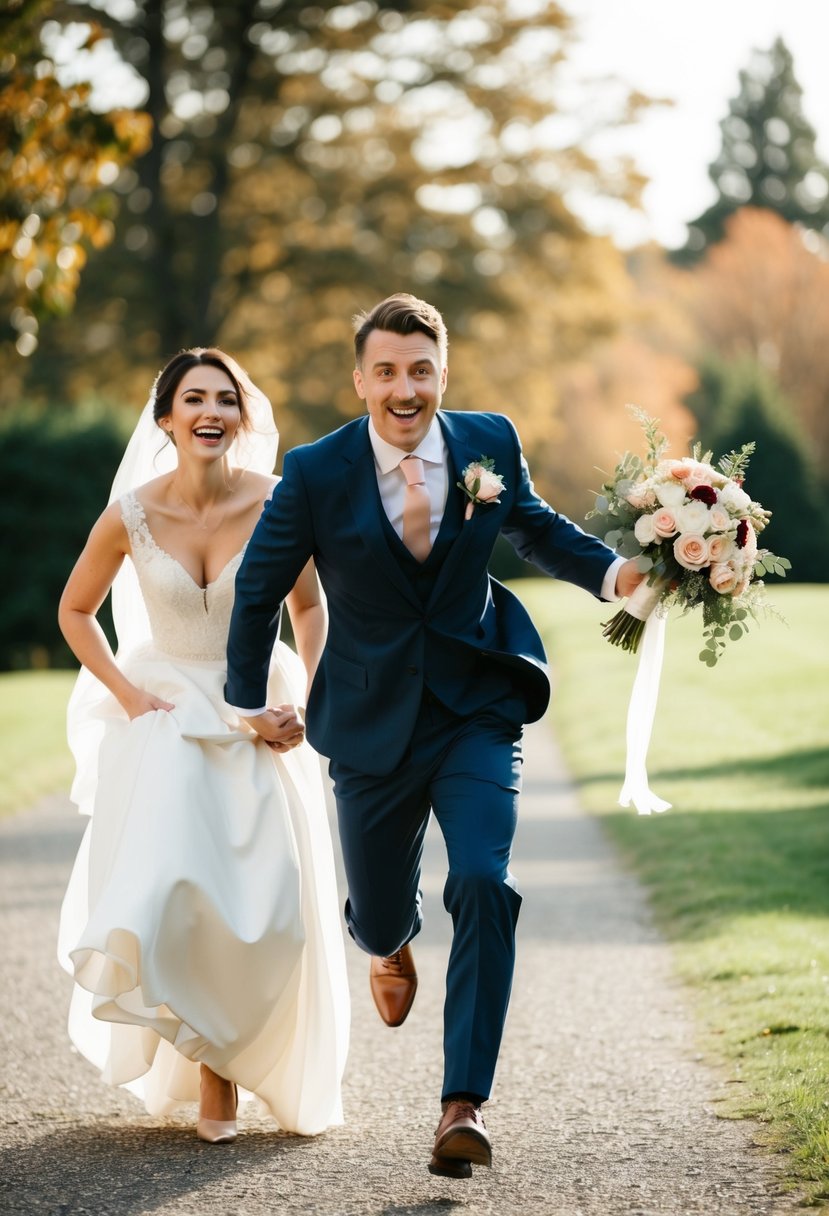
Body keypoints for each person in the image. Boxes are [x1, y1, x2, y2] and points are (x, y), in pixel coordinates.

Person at [225, 294, 642, 1177]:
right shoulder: (314, 471)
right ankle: (388, 940)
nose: (403, 389)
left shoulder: (489, 439)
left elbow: (530, 525)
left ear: (441, 373)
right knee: (376, 910)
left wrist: (616, 574)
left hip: (474, 705)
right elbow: (259, 590)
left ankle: (463, 1105)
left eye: (419, 370)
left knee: (487, 883)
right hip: (369, 718)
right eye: (385, 371)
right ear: (360, 379)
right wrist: (244, 699)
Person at [57, 347, 349, 1143]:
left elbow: (310, 607)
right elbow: (75, 611)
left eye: (226, 398)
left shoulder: (279, 503)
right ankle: (210, 1077)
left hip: (261, 706)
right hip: (165, 717)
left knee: (266, 906)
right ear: (166, 419)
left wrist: (310, 700)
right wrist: (128, 695)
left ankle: (242, 1058)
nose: (211, 410)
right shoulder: (132, 512)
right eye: (194, 398)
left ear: (242, 418)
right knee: (176, 891)